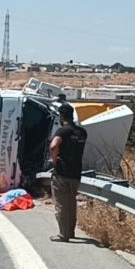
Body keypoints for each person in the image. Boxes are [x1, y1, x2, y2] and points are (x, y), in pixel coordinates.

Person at [49, 103, 88, 243]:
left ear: (61, 116)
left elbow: (54, 145)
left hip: (62, 173)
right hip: (76, 173)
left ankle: (63, 235)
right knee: (71, 204)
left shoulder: (62, 131)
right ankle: (70, 232)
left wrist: (54, 160)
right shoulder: (82, 132)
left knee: (61, 205)